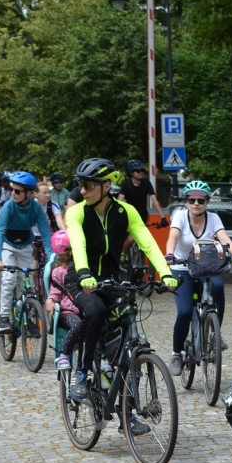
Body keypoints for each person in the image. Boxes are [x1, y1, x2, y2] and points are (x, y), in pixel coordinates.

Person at [64, 157, 177, 407]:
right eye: (81, 185)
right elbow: (78, 245)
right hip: (81, 280)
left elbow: (147, 242)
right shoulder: (76, 212)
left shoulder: (126, 212)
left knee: (127, 319)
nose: (83, 190)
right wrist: (84, 273)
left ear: (106, 186)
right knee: (96, 311)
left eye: (89, 185)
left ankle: (127, 407)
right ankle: (81, 372)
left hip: (112, 279)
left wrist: (165, 273)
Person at [165, 180, 232, 375]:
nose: (196, 204)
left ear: (207, 202)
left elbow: (224, 238)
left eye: (200, 200)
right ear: (187, 201)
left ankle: (215, 334)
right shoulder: (180, 216)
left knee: (218, 287)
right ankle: (177, 353)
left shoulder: (214, 218)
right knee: (184, 312)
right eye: (192, 200)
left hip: (208, 266)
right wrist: (169, 255)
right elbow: (173, 237)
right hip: (182, 267)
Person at [0, 171, 51, 332]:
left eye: (17, 191)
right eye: (12, 189)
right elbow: (0, 231)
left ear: (28, 193)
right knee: (9, 279)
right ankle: (4, 318)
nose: (13, 193)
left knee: (29, 285)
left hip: (26, 245)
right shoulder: (8, 207)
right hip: (8, 245)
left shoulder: (36, 208)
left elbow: (45, 232)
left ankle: (31, 319)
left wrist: (52, 256)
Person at [44, 230, 83, 371]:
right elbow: (55, 292)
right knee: (78, 325)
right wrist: (50, 300)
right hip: (67, 312)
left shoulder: (83, 268)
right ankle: (64, 355)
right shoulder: (59, 271)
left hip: (83, 308)